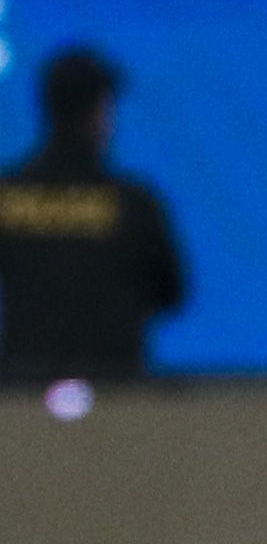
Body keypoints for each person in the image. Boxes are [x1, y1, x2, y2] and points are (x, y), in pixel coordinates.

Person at [0, 48, 185, 380]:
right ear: (99, 112)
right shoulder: (132, 204)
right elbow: (171, 293)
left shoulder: (8, 197)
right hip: (116, 402)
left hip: (22, 401)